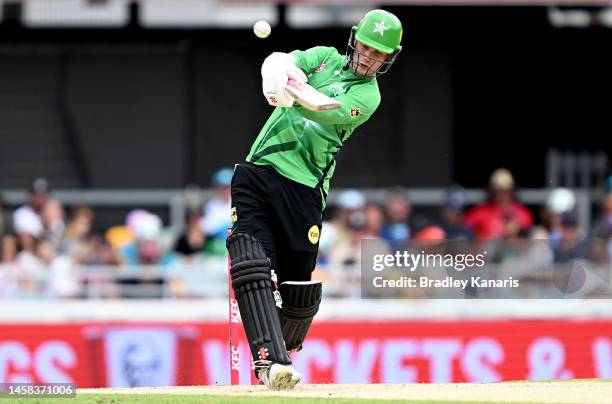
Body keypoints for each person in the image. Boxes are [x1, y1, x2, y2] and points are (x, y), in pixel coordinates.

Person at [226, 9, 403, 390]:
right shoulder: (324, 55)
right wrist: (276, 66)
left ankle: (282, 346)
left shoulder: (367, 96)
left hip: (304, 190)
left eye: (379, 54)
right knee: (250, 260)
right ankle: (269, 364)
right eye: (367, 48)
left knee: (297, 294)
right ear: (355, 40)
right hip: (259, 172)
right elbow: (291, 62)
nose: (369, 58)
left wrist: (289, 91)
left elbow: (326, 111)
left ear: (389, 59)